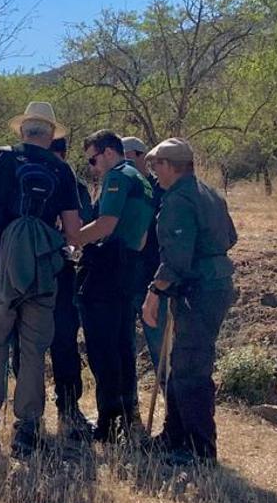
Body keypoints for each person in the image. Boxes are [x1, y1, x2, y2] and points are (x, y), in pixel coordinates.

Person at [0, 102, 83, 459]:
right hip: (41, 272)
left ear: (22, 131)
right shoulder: (62, 170)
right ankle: (27, 431)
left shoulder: (0, 159)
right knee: (33, 350)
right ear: (49, 135)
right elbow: (74, 233)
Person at [141, 138, 237, 465]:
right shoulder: (210, 193)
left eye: (156, 166)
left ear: (170, 165)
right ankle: (174, 436)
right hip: (213, 284)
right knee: (182, 363)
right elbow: (231, 238)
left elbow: (177, 260)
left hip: (200, 289)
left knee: (191, 368)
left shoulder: (179, 200)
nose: (154, 173)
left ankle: (199, 449)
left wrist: (154, 293)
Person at [65, 130, 154, 443]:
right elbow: (141, 236)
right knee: (122, 346)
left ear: (108, 152)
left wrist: (72, 239)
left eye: (93, 159)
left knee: (102, 348)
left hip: (106, 268)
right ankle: (127, 416)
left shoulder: (117, 177)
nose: (93, 167)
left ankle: (107, 423)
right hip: (130, 266)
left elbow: (105, 224)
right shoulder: (143, 180)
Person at [48, 136, 95, 438]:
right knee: (40, 342)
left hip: (58, 272)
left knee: (62, 341)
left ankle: (68, 408)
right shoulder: (72, 185)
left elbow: (83, 231)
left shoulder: (72, 186)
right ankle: (31, 413)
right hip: (53, 273)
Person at [122, 136, 166, 374]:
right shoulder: (117, 189)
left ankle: (173, 406)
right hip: (123, 280)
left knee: (161, 347)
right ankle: (128, 408)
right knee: (123, 348)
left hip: (152, 280)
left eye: (128, 157)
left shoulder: (162, 191)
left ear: (142, 157)